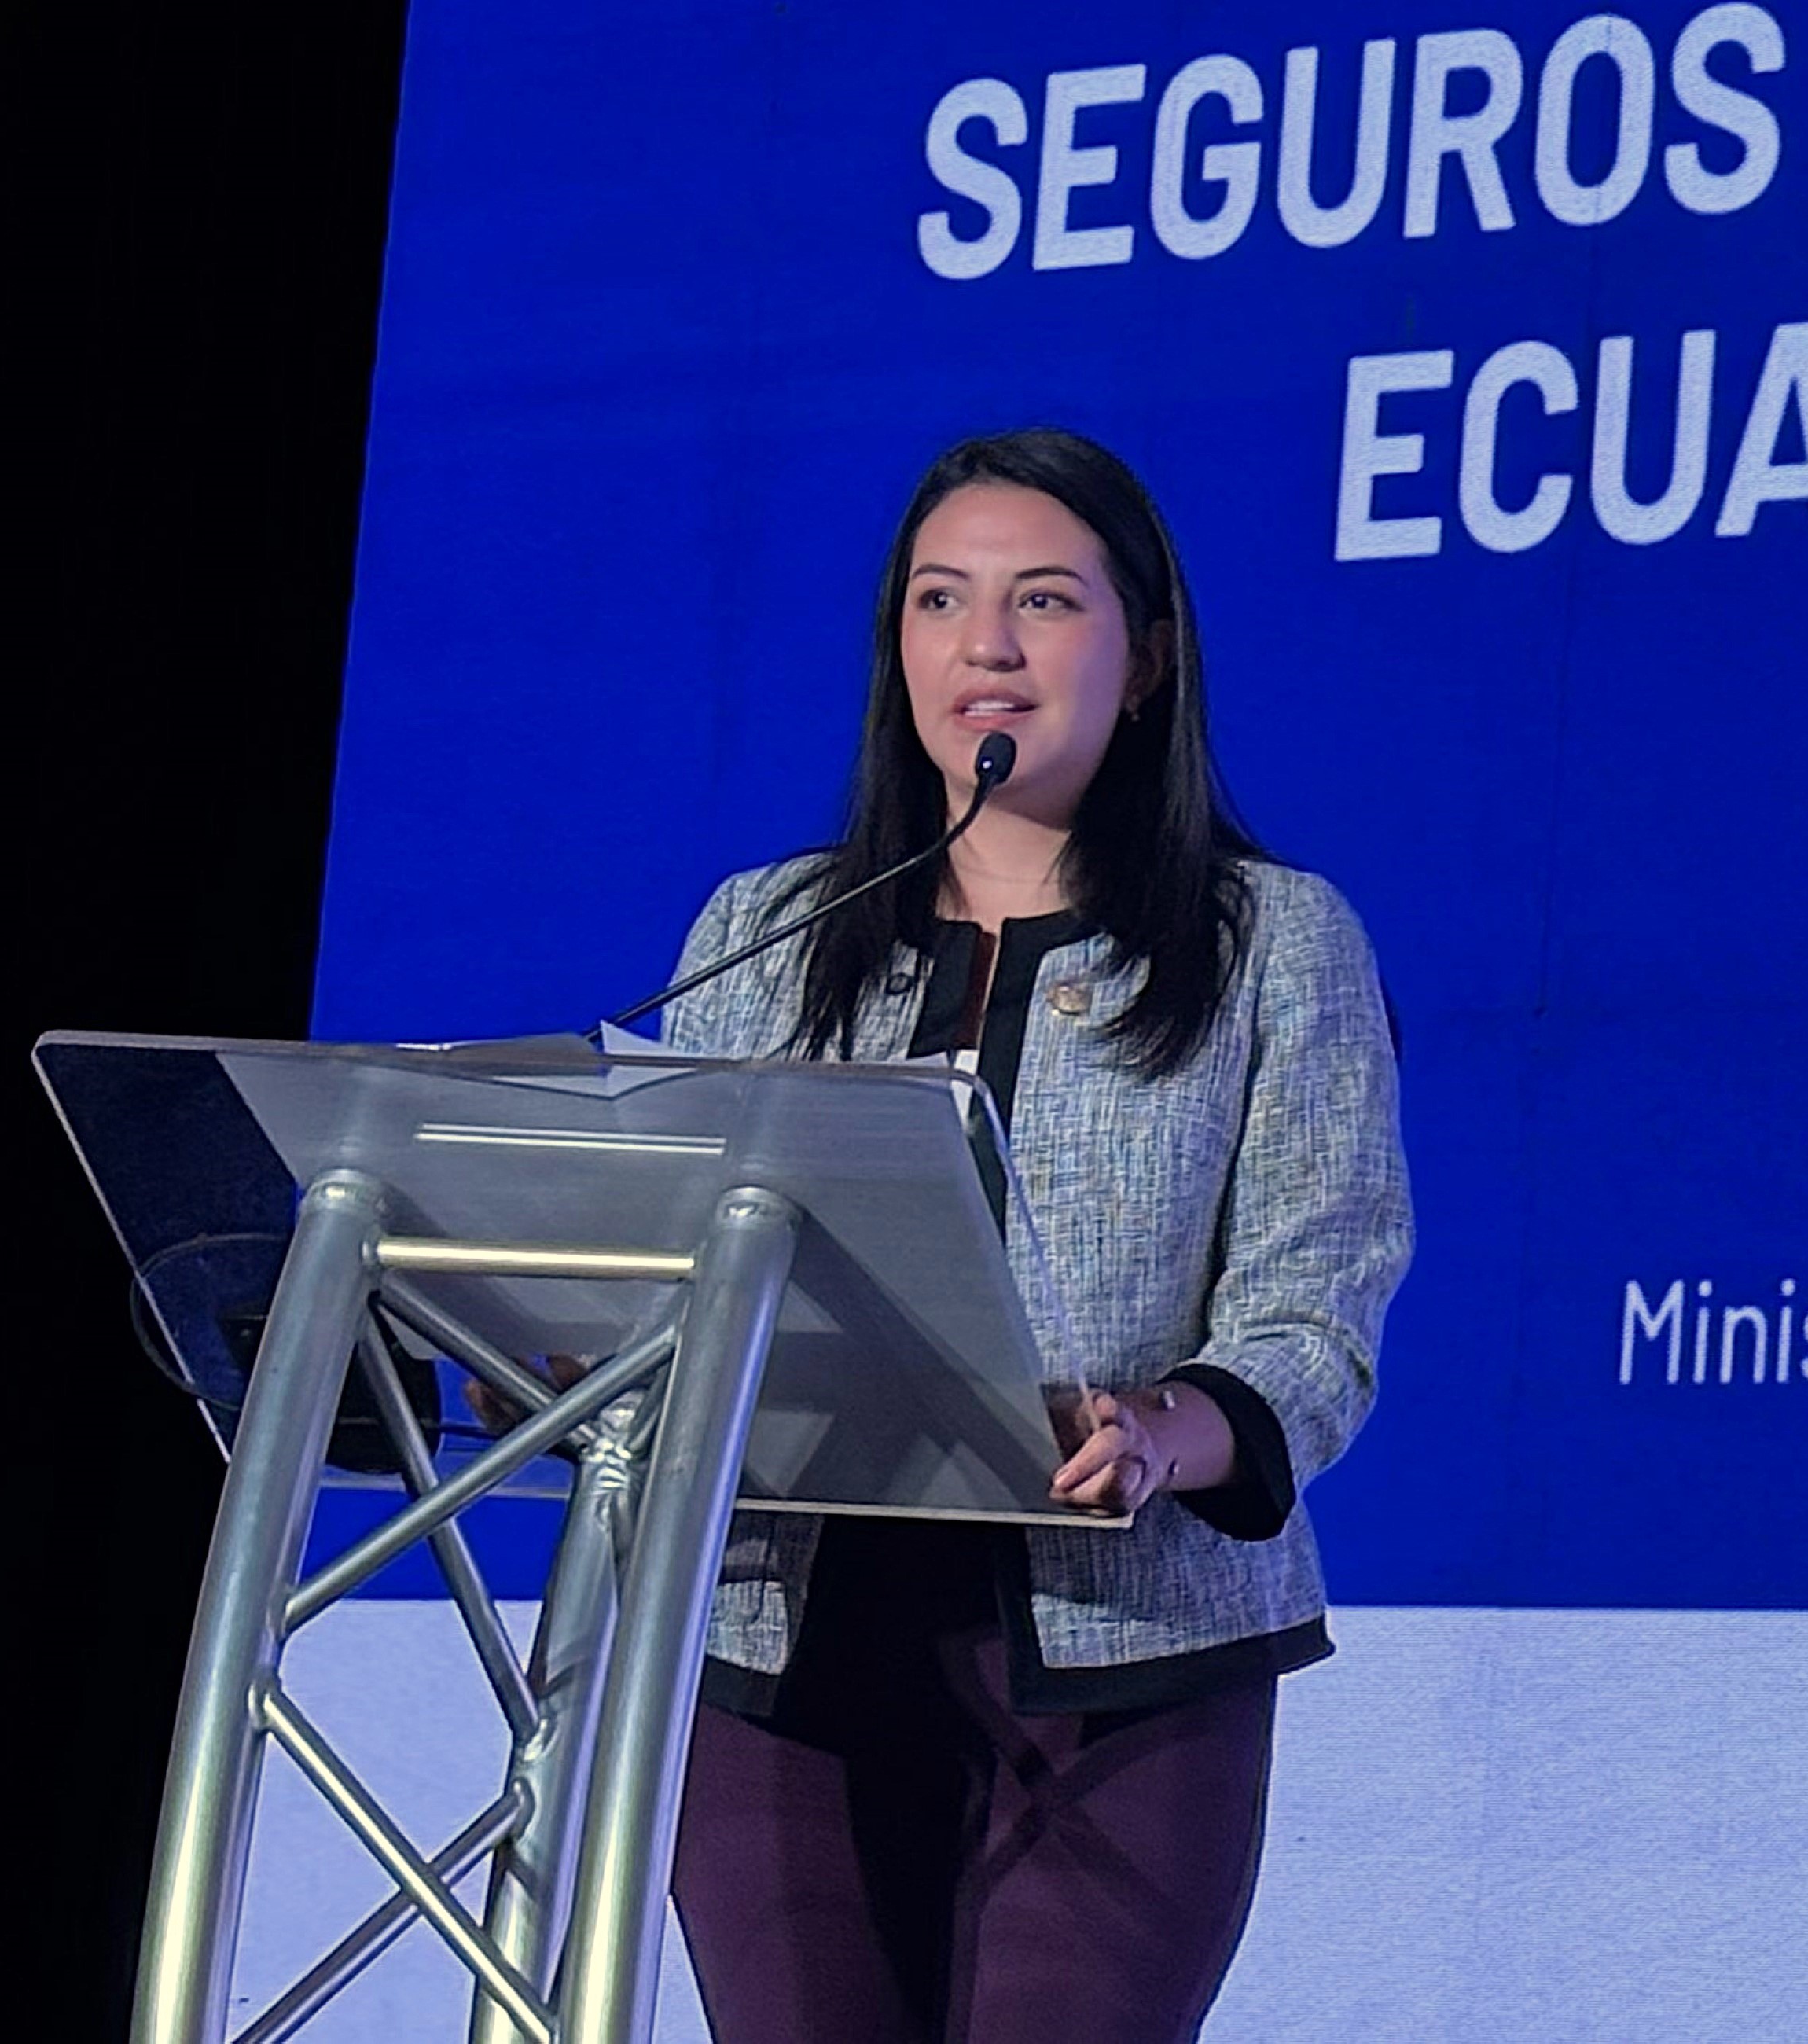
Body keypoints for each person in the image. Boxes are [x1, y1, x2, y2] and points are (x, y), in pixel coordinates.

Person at [657, 428, 1412, 2043]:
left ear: (1143, 659)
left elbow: (1315, 1312)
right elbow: (680, 1250)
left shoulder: (1271, 941)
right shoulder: (761, 933)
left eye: (1041, 602)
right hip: (780, 1650)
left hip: (1125, 1660)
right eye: (940, 601)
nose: (983, 646)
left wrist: (1167, 1429)